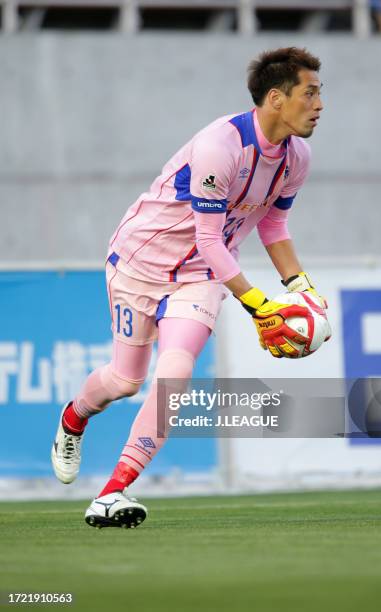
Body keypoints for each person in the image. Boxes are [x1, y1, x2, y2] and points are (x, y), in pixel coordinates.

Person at [51, 47, 328, 529]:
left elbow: (274, 227)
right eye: (311, 92)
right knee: (124, 381)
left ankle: (112, 493)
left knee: (174, 376)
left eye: (320, 92)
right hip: (138, 262)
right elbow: (205, 234)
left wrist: (302, 288)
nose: (320, 103)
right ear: (277, 98)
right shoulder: (221, 145)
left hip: (202, 277)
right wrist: (258, 304)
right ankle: (73, 420)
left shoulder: (297, 157)